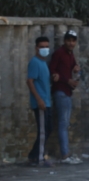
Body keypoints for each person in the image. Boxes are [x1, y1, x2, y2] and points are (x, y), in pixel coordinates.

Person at [49, 30, 82, 164]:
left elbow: (74, 66)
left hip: (67, 91)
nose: (71, 43)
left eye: (73, 40)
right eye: (69, 40)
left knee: (65, 123)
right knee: (63, 124)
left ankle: (66, 153)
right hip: (60, 91)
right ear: (64, 41)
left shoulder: (70, 54)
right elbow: (52, 71)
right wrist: (67, 80)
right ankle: (65, 154)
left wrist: (76, 69)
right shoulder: (59, 53)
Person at [26, 36, 53, 167]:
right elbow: (30, 81)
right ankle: (40, 158)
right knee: (43, 131)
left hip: (47, 102)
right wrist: (38, 99)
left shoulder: (43, 63)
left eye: (46, 46)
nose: (44, 49)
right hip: (41, 102)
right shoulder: (35, 62)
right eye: (42, 47)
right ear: (36, 48)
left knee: (48, 128)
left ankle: (33, 155)